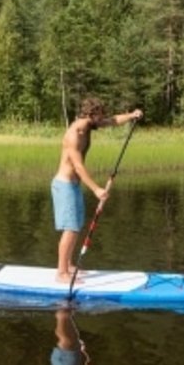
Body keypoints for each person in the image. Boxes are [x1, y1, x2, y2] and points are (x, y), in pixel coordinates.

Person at [52, 97, 141, 282]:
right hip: (64, 185)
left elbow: (113, 121)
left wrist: (132, 115)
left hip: (73, 186)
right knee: (70, 228)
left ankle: (68, 265)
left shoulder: (89, 126)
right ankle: (61, 273)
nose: (103, 120)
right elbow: (78, 166)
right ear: (91, 115)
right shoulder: (74, 134)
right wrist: (96, 189)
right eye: (100, 116)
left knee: (75, 226)